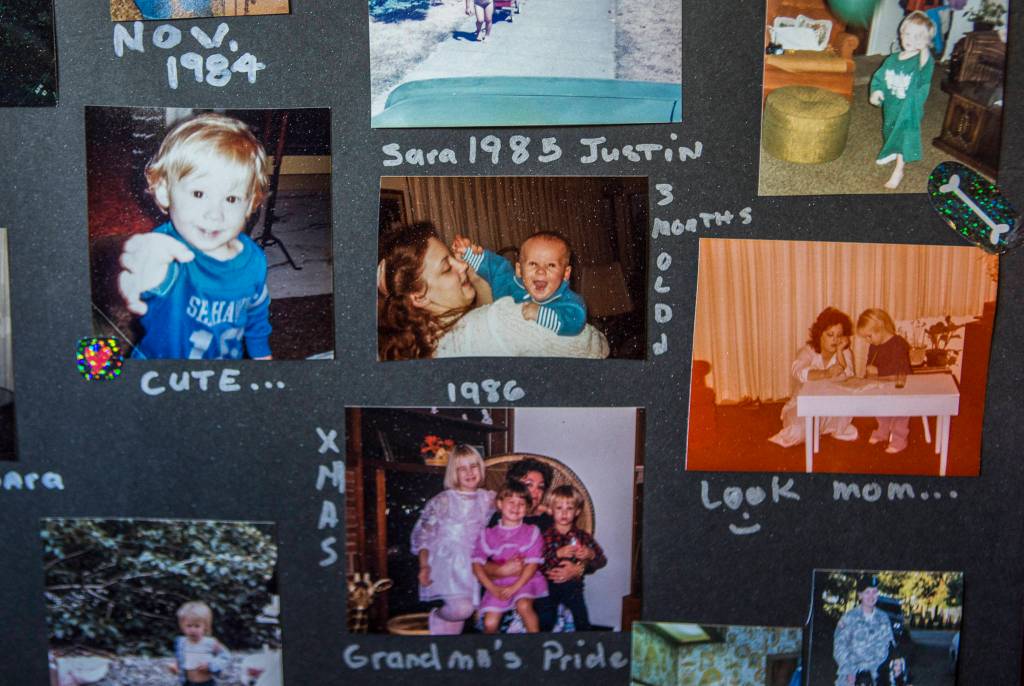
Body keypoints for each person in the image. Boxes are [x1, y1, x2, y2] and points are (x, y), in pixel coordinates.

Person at [117, 113, 273, 360]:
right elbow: (150, 271)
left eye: (231, 199)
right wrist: (143, 277)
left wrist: (261, 354)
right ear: (164, 191)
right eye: (199, 194)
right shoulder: (167, 250)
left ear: (250, 204)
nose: (215, 214)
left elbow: (256, 312)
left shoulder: (254, 259)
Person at [377, 222, 608, 360]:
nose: (463, 265)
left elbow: (490, 310)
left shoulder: (423, 343)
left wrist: (477, 278)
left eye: (453, 257)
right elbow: (596, 347)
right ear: (418, 296)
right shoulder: (503, 320)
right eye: (447, 267)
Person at [410, 445, 495, 635]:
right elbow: (423, 536)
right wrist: (424, 566)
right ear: (453, 473)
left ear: (480, 468)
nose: (469, 472)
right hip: (449, 563)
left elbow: (511, 505)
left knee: (469, 611)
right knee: (462, 609)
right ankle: (437, 616)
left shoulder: (488, 498)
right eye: (462, 468)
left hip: (476, 561)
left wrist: (541, 509)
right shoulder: (444, 500)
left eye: (473, 466)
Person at [454, 232, 587, 336]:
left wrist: (539, 314)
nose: (541, 271)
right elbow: (493, 266)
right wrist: (466, 252)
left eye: (551, 265)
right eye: (533, 263)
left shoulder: (568, 300)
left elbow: (576, 320)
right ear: (519, 270)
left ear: (565, 274)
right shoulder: (508, 283)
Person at [769, 307, 858, 448]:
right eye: (830, 335)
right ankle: (813, 429)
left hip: (830, 407)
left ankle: (823, 428)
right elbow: (798, 371)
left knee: (845, 414)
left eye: (839, 335)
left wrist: (840, 352)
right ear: (819, 334)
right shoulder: (807, 351)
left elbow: (848, 376)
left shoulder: (844, 352)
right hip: (803, 406)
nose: (835, 340)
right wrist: (826, 373)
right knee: (798, 432)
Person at [869, 11, 936, 189]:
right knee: (890, 130)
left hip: (909, 110)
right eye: (907, 34)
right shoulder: (891, 59)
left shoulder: (920, 62)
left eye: (918, 37)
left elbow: (926, 64)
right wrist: (876, 92)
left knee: (904, 135)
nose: (911, 40)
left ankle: (899, 170)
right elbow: (879, 77)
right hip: (892, 106)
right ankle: (893, 149)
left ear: (926, 42)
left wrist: (924, 48)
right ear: (900, 33)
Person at [472, 481, 548, 633]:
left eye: (521, 504)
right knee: (490, 622)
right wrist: (491, 587)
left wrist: (515, 587)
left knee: (523, 605)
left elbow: (532, 565)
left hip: (525, 580)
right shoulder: (488, 534)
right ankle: (489, 654)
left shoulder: (531, 532)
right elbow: (476, 564)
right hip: (498, 583)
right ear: (500, 504)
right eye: (511, 502)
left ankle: (536, 643)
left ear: (527, 509)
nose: (516, 507)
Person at [534, 485, 606, 631]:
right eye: (559, 508)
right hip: (548, 585)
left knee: (581, 616)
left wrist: (590, 554)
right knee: (546, 617)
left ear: (577, 511)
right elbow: (537, 563)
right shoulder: (545, 536)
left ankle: (585, 641)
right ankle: (540, 642)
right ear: (551, 511)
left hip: (573, 585)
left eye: (570, 508)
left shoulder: (582, 536)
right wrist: (557, 554)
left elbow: (601, 560)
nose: (564, 513)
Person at [857, 309, 913, 454]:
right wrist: (868, 374)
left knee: (900, 413)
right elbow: (871, 365)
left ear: (881, 328)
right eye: (865, 338)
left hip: (900, 386)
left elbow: (901, 371)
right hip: (882, 385)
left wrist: (878, 372)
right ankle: (882, 432)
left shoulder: (898, 343)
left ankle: (900, 439)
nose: (868, 341)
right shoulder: (874, 345)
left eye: (869, 336)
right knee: (880, 409)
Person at [833, 577, 895, 686]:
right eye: (867, 592)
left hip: (876, 675)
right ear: (860, 595)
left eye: (874, 592)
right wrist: (850, 671)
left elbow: (887, 647)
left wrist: (873, 670)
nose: (871, 596)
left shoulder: (883, 618)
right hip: (850, 676)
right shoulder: (848, 618)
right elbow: (839, 647)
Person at [168, 601, 231, 686]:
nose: (193, 630)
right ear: (182, 626)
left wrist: (211, 665)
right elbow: (180, 658)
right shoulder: (181, 642)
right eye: (189, 626)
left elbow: (225, 656)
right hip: (187, 682)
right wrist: (175, 667)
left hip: (206, 683)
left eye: (197, 626)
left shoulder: (210, 642)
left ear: (205, 626)